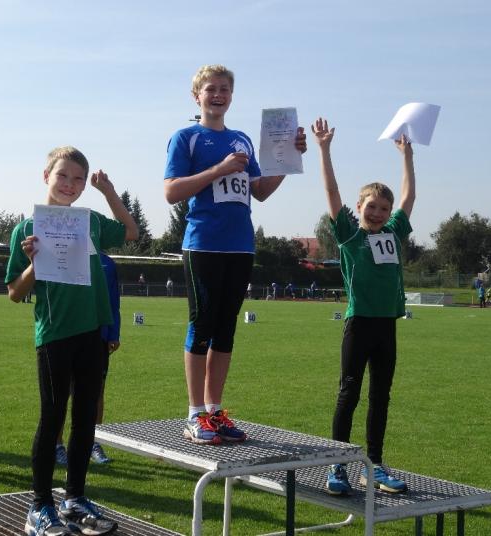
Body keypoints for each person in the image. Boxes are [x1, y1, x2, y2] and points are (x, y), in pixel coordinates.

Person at [163, 64, 306, 445]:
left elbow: (261, 191)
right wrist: (219, 169)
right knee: (202, 325)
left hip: (240, 245)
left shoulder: (242, 140)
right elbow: (171, 191)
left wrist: (288, 159)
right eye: (211, 88)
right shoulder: (186, 138)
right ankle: (195, 413)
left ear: (232, 95)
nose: (218, 95)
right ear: (197, 96)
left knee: (226, 328)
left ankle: (214, 410)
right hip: (203, 243)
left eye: (224, 89)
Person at [6, 146, 137, 536]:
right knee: (53, 419)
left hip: (92, 333)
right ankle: (39, 507)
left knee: (84, 421)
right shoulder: (25, 229)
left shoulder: (90, 222)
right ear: (46, 175)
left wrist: (108, 191)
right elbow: (14, 292)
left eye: (78, 179)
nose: (70, 184)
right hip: (54, 335)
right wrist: (34, 263)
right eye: (63, 175)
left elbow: (131, 232)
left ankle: (75, 499)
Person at [314, 116, 414, 496]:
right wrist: (324, 149)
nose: (377, 213)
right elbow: (331, 191)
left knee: (380, 397)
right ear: (359, 207)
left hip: (387, 325)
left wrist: (407, 157)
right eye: (371, 207)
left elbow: (409, 197)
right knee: (349, 394)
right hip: (358, 324)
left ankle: (374, 465)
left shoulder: (393, 232)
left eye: (384, 209)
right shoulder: (349, 235)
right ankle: (337, 464)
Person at [55, 252, 121, 467]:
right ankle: (58, 445)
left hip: (99, 337)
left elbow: (113, 301)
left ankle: (93, 442)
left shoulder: (107, 263)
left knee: (97, 392)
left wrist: (114, 333)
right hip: (68, 334)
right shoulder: (64, 253)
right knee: (62, 392)